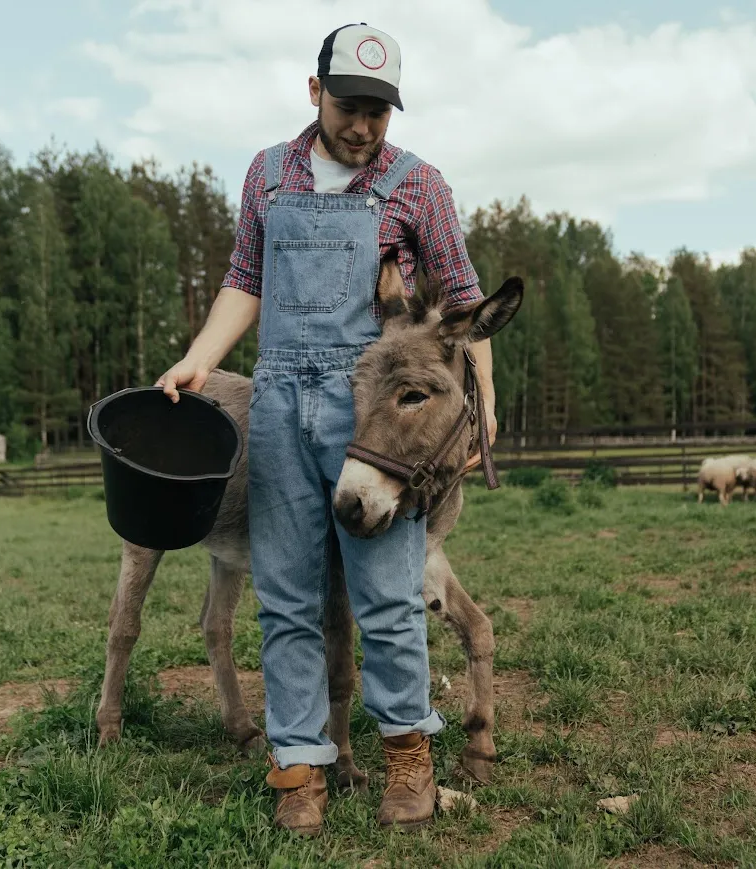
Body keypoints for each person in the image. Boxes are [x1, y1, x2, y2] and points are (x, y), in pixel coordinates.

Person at [155, 22, 496, 836]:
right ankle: (299, 767)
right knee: (287, 599)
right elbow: (245, 277)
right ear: (315, 94)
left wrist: (484, 408)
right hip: (277, 405)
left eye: (380, 112)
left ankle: (408, 760)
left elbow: (465, 300)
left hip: (372, 415)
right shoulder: (268, 175)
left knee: (385, 600)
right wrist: (199, 359)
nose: (365, 127)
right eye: (350, 106)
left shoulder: (419, 185)